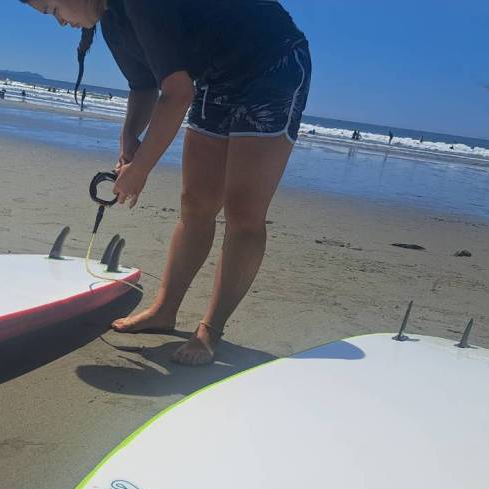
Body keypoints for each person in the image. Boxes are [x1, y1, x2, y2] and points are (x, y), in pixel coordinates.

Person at [19, 0, 311, 365]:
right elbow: (143, 86)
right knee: (196, 203)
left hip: (271, 63)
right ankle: (164, 310)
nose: (61, 22)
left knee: (243, 212)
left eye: (53, 9)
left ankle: (210, 330)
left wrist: (141, 168)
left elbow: (178, 93)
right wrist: (129, 139)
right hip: (215, 74)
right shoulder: (112, 24)